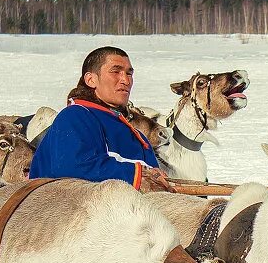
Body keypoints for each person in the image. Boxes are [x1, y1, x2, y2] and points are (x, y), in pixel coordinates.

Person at [29, 46, 172, 192]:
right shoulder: (75, 117)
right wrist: (137, 175)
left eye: (129, 73)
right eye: (116, 71)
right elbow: (71, 167)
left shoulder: (136, 135)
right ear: (91, 80)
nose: (126, 80)